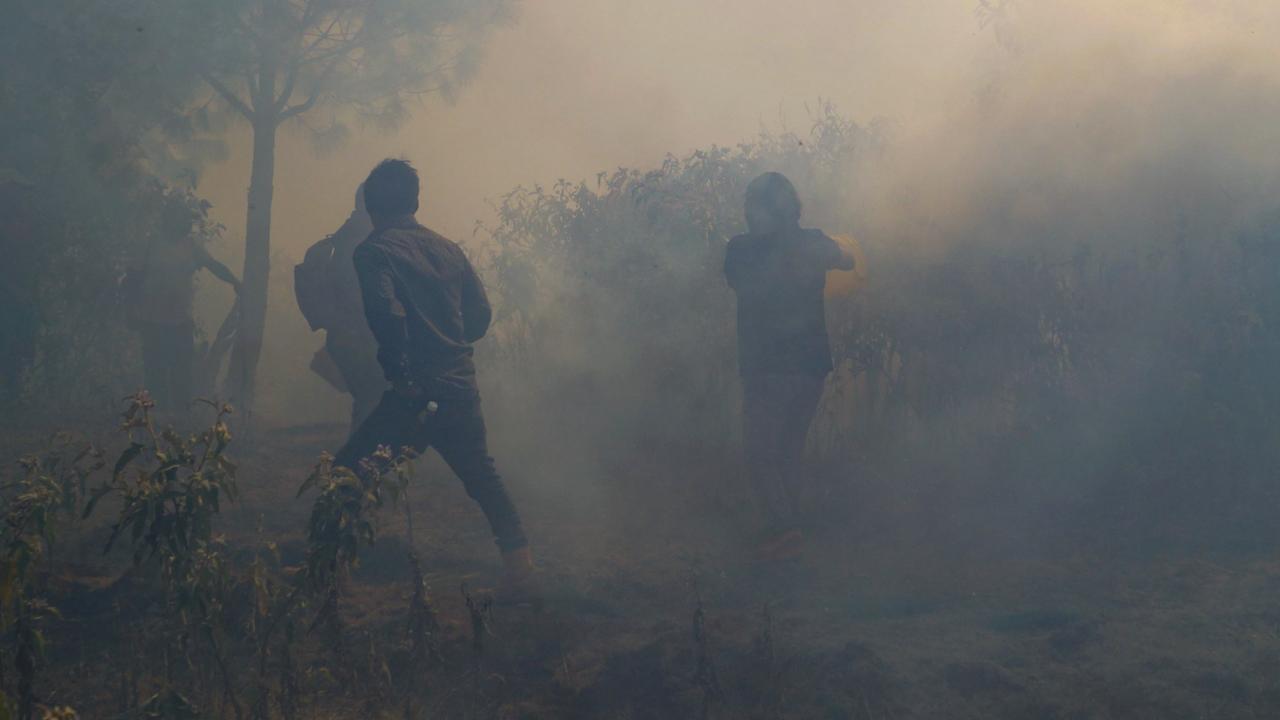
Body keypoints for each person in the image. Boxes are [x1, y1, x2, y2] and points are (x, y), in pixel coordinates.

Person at [332, 159, 534, 598]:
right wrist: (450, 343)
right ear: (416, 200)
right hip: (459, 386)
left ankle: (332, 572)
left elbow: (387, 314)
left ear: (369, 206)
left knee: (348, 474)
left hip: (415, 393)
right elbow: (479, 316)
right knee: (483, 477)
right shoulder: (448, 249)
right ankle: (521, 567)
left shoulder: (374, 250)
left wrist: (401, 374)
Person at [723, 172, 854, 560]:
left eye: (752, 203)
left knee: (759, 453)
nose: (747, 211)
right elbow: (847, 259)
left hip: (769, 368)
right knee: (786, 452)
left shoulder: (741, 250)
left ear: (764, 209)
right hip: (810, 368)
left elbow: (738, 281)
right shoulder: (812, 243)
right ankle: (788, 532)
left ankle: (785, 530)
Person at [127, 200, 240, 414]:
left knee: (181, 373)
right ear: (168, 220)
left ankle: (180, 421)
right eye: (180, 218)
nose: (185, 223)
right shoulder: (151, 245)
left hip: (180, 321)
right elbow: (132, 279)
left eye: (186, 219)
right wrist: (131, 311)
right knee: (155, 373)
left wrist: (235, 282)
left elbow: (213, 265)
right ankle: (158, 420)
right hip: (152, 321)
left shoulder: (191, 246)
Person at [296, 184, 383, 432]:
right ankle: (358, 464)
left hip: (346, 339)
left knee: (367, 400)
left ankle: (357, 462)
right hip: (361, 338)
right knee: (371, 401)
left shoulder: (345, 236)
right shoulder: (364, 241)